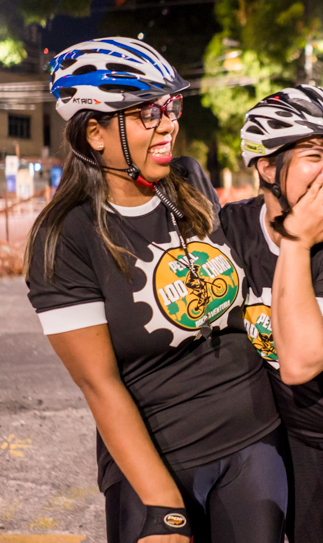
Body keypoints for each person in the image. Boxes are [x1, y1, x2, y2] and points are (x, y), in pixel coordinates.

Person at [25, 37, 286, 543]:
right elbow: (99, 384)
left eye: (171, 107)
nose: (168, 124)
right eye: (148, 113)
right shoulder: (65, 235)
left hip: (255, 442)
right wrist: (164, 505)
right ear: (95, 133)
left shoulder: (188, 181)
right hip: (157, 463)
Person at [220, 85, 323, 543]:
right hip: (287, 427)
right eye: (315, 155)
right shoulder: (232, 226)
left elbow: (299, 362)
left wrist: (296, 241)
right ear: (267, 167)